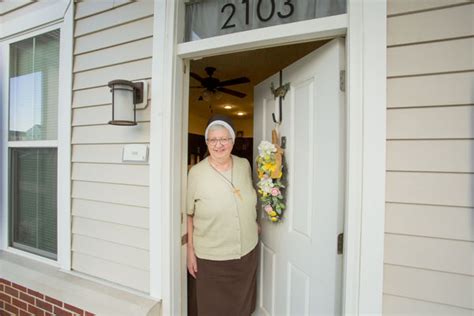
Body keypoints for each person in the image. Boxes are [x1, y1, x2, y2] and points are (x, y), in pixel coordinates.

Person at [187, 115, 259, 316]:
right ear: (207, 143)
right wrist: (190, 251)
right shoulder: (196, 173)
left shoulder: (244, 164)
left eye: (224, 139)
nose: (219, 145)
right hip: (212, 258)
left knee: (242, 306)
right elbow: (189, 214)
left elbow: (248, 196)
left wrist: (252, 222)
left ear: (233, 141)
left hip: (246, 253)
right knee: (212, 308)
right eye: (213, 140)